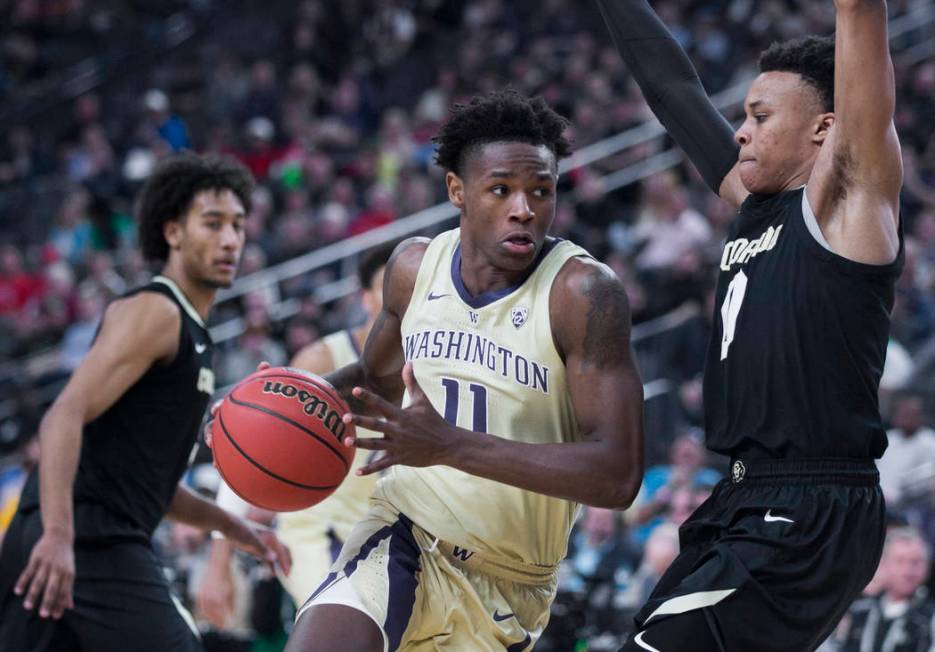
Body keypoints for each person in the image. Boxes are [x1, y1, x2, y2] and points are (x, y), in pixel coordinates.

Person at [275, 89, 645, 650]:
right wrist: (278, 400)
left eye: (541, 191)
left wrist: (451, 445)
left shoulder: (582, 293)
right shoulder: (412, 268)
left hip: (510, 582)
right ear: (457, 190)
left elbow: (617, 476)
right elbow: (373, 383)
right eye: (501, 190)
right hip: (403, 533)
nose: (524, 208)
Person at [596, 1, 904, 650]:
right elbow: (671, 88)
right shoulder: (751, 204)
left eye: (759, 118)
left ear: (824, 129)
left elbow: (858, 16)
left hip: (811, 505)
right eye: (742, 116)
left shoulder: (846, 200)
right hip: (741, 493)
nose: (739, 132)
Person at [0, 154, 291, 652]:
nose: (230, 240)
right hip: (85, 537)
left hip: (86, 534)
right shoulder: (157, 310)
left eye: (239, 226)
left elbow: (151, 486)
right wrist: (57, 534)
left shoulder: (196, 336)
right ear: (173, 232)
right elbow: (62, 416)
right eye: (214, 223)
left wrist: (235, 529)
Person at [197, 242, 396, 625]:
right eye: (392, 291)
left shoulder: (431, 358)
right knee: (341, 629)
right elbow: (257, 448)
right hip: (320, 532)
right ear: (367, 300)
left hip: (392, 530)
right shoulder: (323, 358)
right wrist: (218, 561)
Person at [826, 528, 935, 652]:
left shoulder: (930, 618)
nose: (907, 571)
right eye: (900, 561)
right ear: (883, 564)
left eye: (915, 562)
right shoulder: (857, 611)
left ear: (927, 567)